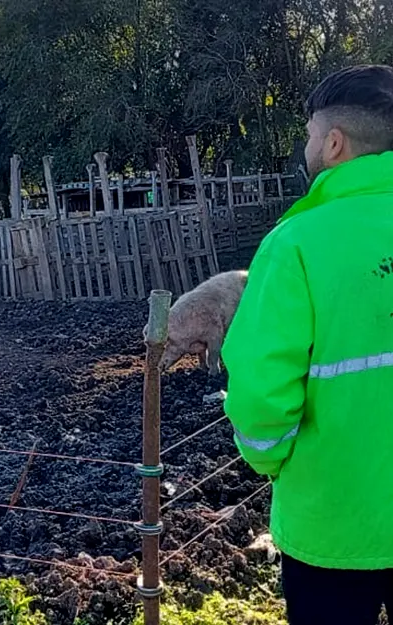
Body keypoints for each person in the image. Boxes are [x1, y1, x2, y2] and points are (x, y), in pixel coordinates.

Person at [222, 64, 393, 625]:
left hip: (334, 526)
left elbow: (260, 393)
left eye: (311, 135)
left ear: (336, 143)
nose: (307, 145)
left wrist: (269, 460)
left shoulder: (295, 244)